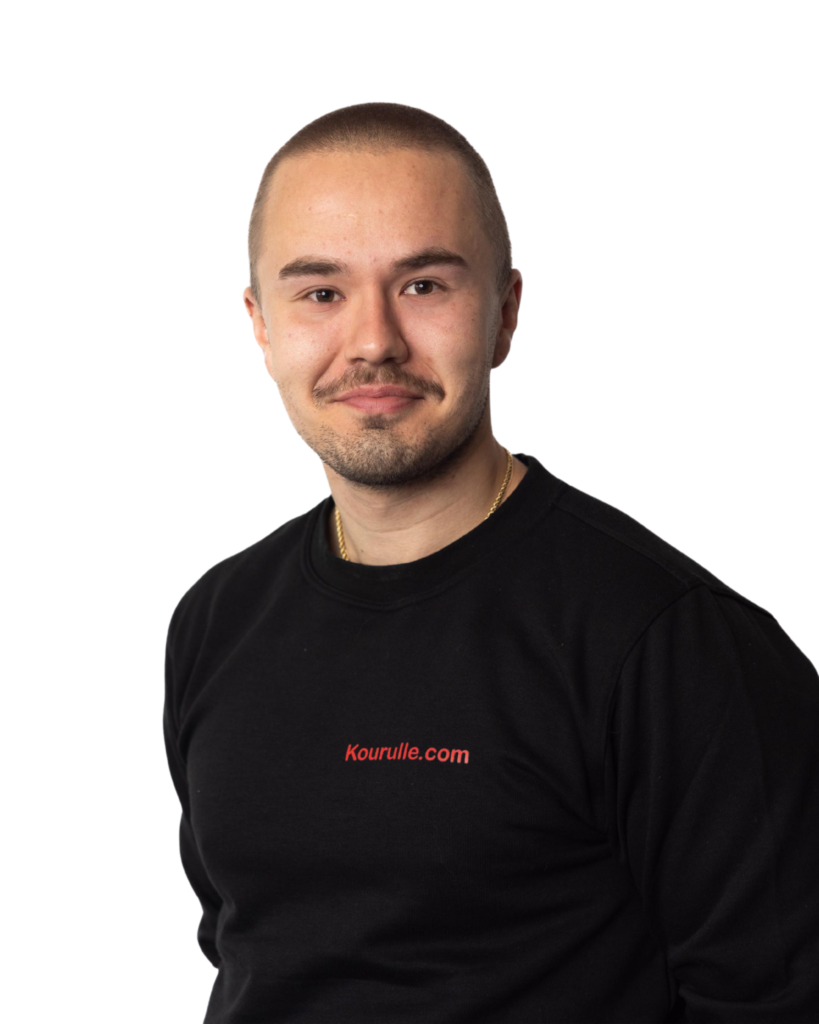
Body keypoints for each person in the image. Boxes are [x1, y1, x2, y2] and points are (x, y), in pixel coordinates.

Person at [163, 102, 819, 1024]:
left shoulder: (672, 646)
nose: (374, 340)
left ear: (504, 314)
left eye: (423, 284)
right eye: (320, 293)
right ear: (261, 326)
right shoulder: (218, 619)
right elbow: (251, 951)